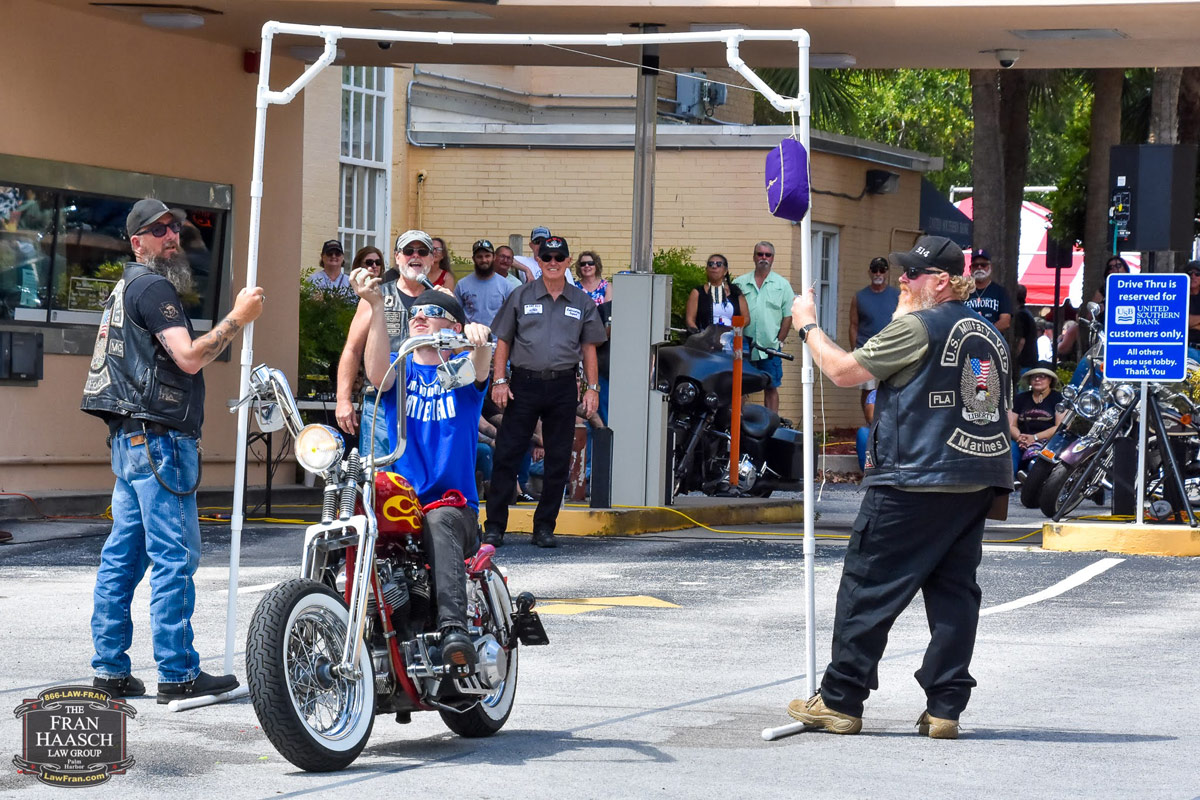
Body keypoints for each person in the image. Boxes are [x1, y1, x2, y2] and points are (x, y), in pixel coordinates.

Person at [787, 234, 1012, 739]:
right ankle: (945, 708)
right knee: (954, 595)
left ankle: (840, 700)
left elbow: (843, 371)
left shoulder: (917, 325)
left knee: (867, 588)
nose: (902, 281)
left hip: (914, 476)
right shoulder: (987, 332)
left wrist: (807, 325)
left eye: (912, 273)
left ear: (942, 281)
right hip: (975, 479)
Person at [81, 198, 265, 701]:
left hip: (131, 442)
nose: (172, 236)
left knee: (122, 559)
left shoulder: (124, 289)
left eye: (175, 228)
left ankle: (110, 670)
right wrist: (239, 317)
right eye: (159, 229)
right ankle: (179, 673)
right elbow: (188, 358)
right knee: (174, 557)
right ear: (136, 241)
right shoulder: (152, 286)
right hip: (159, 443)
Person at [352, 275, 491, 670]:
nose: (419, 316)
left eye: (432, 311)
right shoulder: (403, 373)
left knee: (439, 518)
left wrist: (479, 341)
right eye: (415, 312)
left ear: (452, 326)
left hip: (452, 506)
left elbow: (480, 369)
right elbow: (376, 372)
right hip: (404, 503)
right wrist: (375, 306)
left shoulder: (458, 374)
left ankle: (453, 629)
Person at [484, 236, 606, 548]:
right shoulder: (521, 295)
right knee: (507, 453)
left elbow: (589, 348)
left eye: (559, 258)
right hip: (523, 384)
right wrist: (499, 380)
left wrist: (592, 389)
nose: (553, 263)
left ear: (568, 262)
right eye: (547, 257)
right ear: (538, 261)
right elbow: (503, 340)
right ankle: (495, 526)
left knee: (558, 458)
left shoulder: (581, 302)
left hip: (563, 386)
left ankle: (544, 527)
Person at [335, 231, 437, 456]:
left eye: (422, 251)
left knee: (422, 474)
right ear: (397, 257)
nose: (415, 256)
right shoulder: (376, 296)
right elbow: (352, 349)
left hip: (426, 404)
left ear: (432, 258)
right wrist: (343, 399)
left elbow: (459, 351)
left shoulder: (440, 299)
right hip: (380, 402)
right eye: (408, 251)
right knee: (379, 472)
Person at [733, 241, 794, 412]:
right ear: (754, 257)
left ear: (773, 258)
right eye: (760, 254)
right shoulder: (739, 283)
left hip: (770, 347)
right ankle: (738, 423)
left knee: (771, 387)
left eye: (768, 255)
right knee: (740, 387)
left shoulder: (782, 285)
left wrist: (779, 341)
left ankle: (771, 424)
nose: (764, 258)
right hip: (743, 346)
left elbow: (787, 316)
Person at [849, 256, 900, 420]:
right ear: (869, 272)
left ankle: (888, 423)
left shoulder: (897, 295)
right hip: (866, 350)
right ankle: (869, 424)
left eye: (882, 270)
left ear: (887, 272)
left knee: (892, 387)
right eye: (875, 270)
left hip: (891, 350)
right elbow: (853, 325)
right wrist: (855, 351)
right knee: (868, 390)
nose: (878, 273)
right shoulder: (859, 297)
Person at [1009, 362, 1064, 475]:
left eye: (1042, 376)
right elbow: (1011, 424)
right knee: (1009, 453)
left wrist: (1034, 438)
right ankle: (1010, 482)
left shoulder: (1058, 399)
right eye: (1034, 377)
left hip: (1047, 442)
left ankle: (1031, 479)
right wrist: (1020, 438)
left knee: (1036, 463)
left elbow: (1060, 426)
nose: (1037, 379)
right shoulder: (1020, 398)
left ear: (1050, 380)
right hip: (1021, 441)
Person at [454, 239, 513, 326]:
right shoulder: (462, 285)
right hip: (469, 333)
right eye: (479, 257)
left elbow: (511, 316)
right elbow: (456, 314)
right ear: (473, 259)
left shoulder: (506, 286)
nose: (484, 260)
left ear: (494, 257)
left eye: (487, 256)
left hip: (495, 334)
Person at [685, 253, 748, 334]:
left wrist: (735, 328)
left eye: (719, 264)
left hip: (731, 337)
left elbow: (746, 318)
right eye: (710, 264)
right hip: (704, 338)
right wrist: (699, 335)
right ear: (706, 269)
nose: (714, 267)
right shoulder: (697, 292)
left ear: (725, 271)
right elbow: (690, 320)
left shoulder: (735, 292)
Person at [964, 248, 1012, 332]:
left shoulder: (1000, 292)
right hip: (968, 337)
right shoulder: (963, 292)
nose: (979, 268)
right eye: (975, 265)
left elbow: (1005, 322)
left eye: (983, 265)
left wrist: (985, 333)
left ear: (990, 267)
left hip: (992, 338)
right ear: (970, 268)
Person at [1012, 284, 1039, 374]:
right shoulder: (1027, 313)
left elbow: (1021, 340)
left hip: (1024, 361)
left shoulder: (1020, 314)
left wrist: (1014, 357)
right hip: (1030, 359)